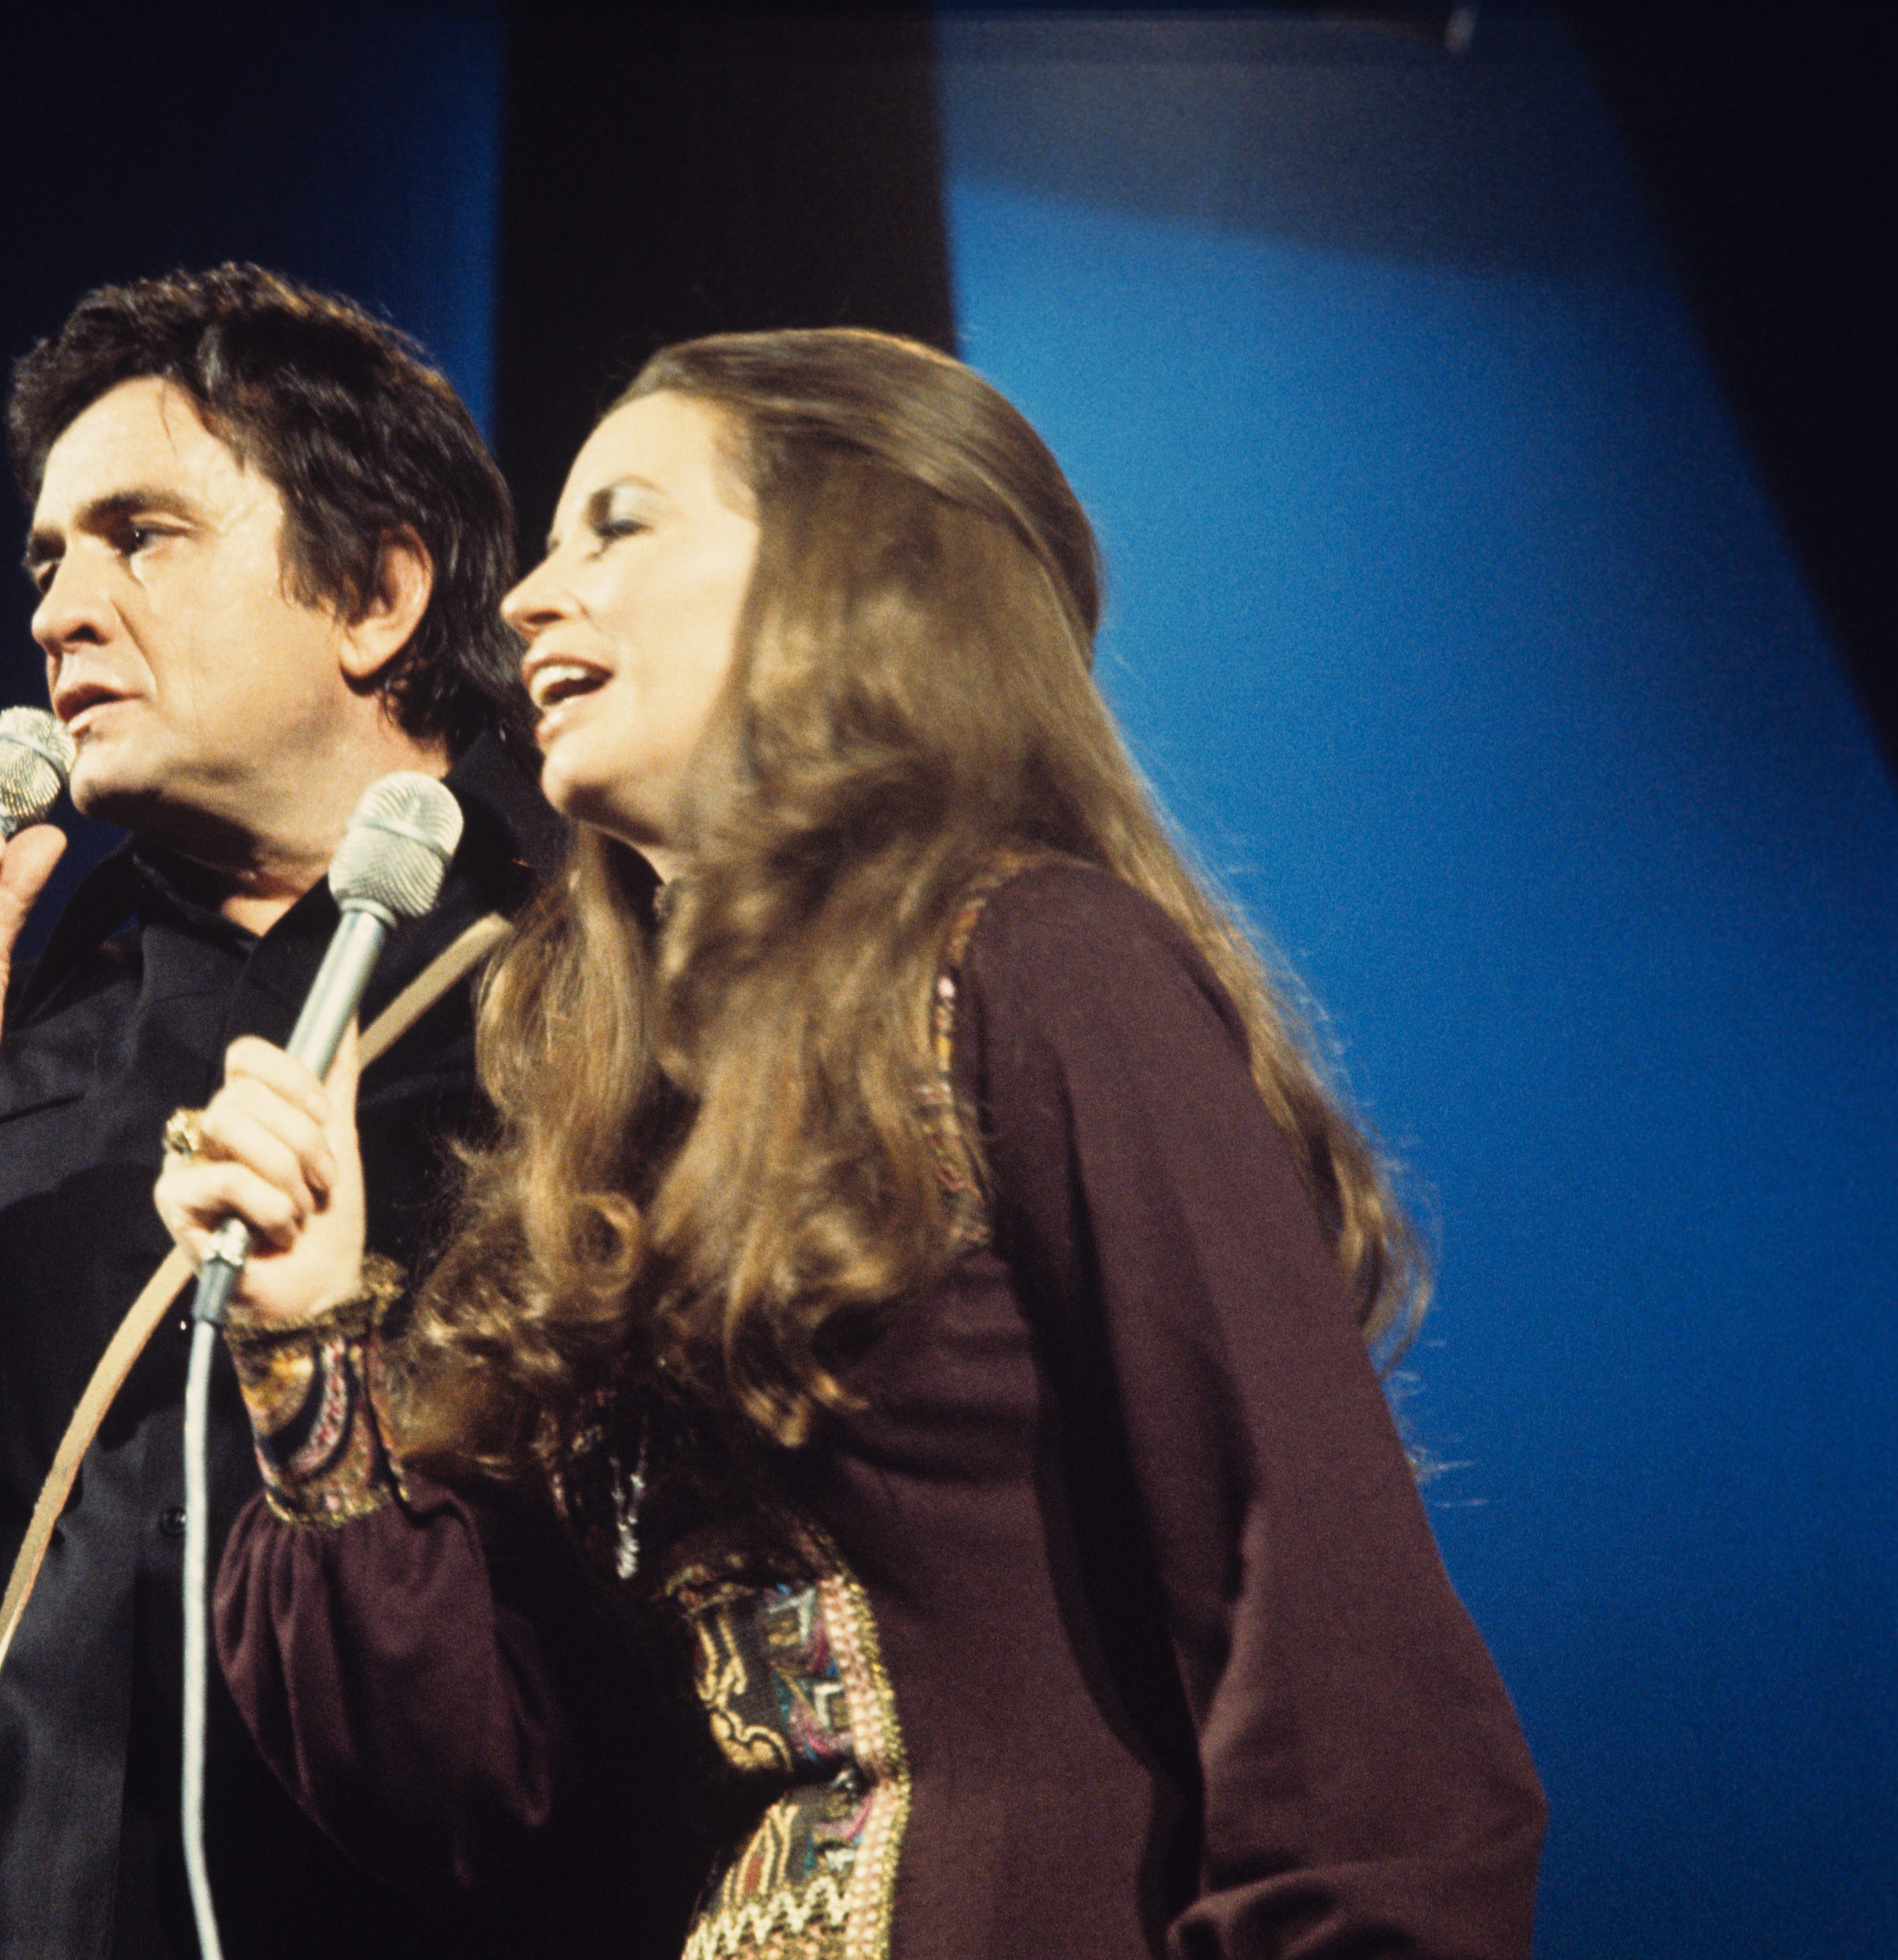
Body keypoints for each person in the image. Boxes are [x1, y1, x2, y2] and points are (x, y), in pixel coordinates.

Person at [158, 328, 1550, 1957]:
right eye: (544, 545)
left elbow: (1339, 1644)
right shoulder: (625, 1132)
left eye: (618, 525)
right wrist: (310, 1351)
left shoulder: (1037, 967)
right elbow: (473, 1794)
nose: (530, 597)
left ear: (853, 571)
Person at [0, 266, 690, 1960]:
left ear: (378, 592)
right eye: (45, 558)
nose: (60, 610)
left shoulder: (611, 1004)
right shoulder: (8, 1036)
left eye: (141, 535)